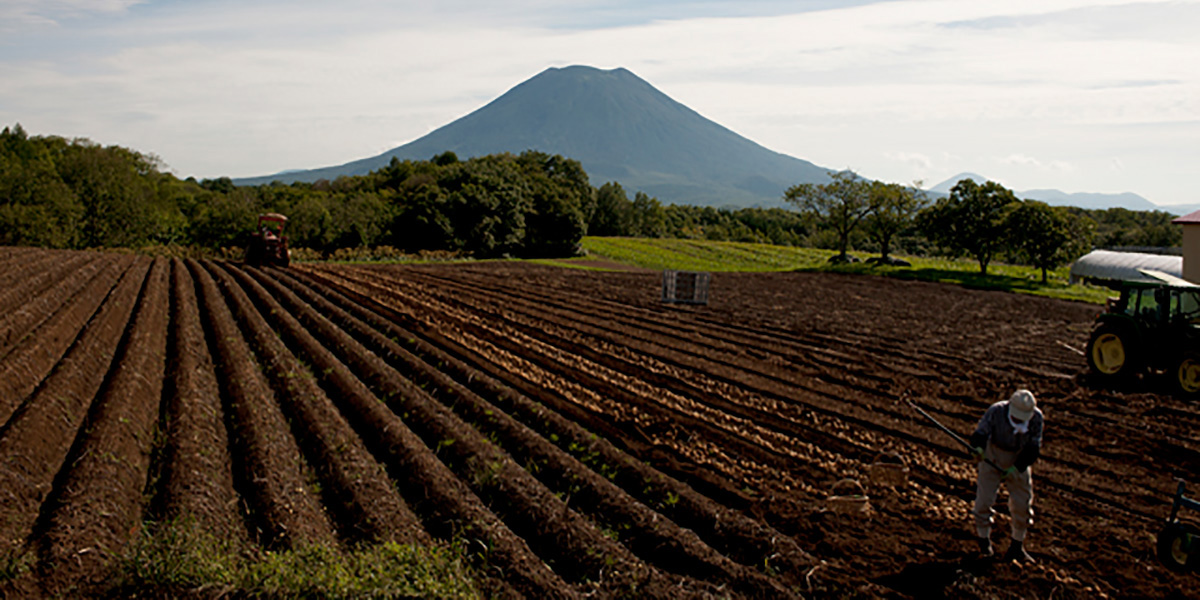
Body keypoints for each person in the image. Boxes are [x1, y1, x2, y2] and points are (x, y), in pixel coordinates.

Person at [969, 389, 1043, 562]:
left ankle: (1017, 546)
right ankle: (984, 542)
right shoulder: (996, 411)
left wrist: (1017, 468)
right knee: (984, 500)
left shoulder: (1036, 418)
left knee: (1022, 503)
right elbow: (980, 433)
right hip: (992, 454)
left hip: (1019, 458)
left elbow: (1033, 448)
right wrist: (977, 448)